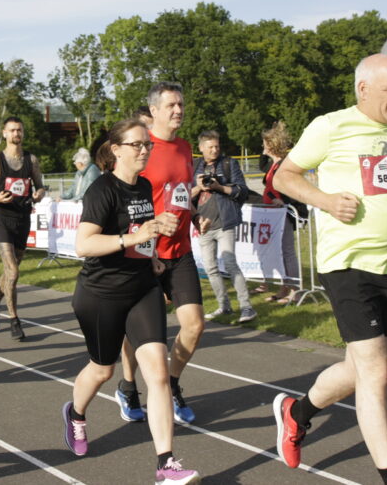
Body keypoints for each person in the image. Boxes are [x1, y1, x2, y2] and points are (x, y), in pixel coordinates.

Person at [271, 54, 387, 485]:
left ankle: (296, 412)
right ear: (363, 89)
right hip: (347, 264)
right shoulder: (330, 126)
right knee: (376, 374)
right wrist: (324, 200)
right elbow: (284, 177)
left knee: (357, 369)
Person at [61, 118, 199, 484]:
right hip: (101, 293)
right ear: (116, 150)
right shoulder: (101, 190)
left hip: (142, 287)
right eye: (136, 145)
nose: (144, 150)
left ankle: (167, 465)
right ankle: (75, 414)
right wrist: (133, 237)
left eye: (146, 145)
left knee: (157, 373)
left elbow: (143, 234)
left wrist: (150, 251)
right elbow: (83, 245)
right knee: (103, 370)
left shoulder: (145, 186)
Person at [117, 83, 204, 425]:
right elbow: (128, 202)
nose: (178, 110)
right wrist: (144, 239)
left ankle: (171, 384)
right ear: (154, 111)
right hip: (145, 254)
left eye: (181, 103)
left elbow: (180, 191)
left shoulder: (184, 147)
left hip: (180, 250)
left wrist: (196, 214)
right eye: (171, 105)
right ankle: (127, 387)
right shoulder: (141, 149)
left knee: (194, 326)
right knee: (141, 334)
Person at [0, 117, 46, 341]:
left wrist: (39, 194)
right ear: (5, 134)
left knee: (11, 272)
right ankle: (14, 320)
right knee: (13, 271)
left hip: (22, 220)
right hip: (2, 220)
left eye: (19, 130)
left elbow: (40, 187)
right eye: (12, 130)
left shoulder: (31, 160)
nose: (16, 133)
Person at [191, 130, 254, 323]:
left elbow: (242, 191)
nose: (214, 150)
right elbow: (186, 194)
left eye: (217, 146)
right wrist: (199, 187)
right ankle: (224, 306)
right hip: (203, 224)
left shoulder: (229, 164)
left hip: (225, 222)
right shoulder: (194, 167)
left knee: (229, 262)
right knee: (210, 267)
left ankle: (247, 307)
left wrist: (219, 187)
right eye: (210, 147)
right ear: (201, 148)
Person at [261, 121, 305, 305]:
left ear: (271, 144)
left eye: (264, 143)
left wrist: (282, 201)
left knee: (287, 252)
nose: (262, 146)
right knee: (279, 252)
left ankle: (295, 290)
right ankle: (284, 287)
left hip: (283, 215)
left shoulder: (283, 166)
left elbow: (291, 189)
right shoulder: (274, 165)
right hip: (273, 217)